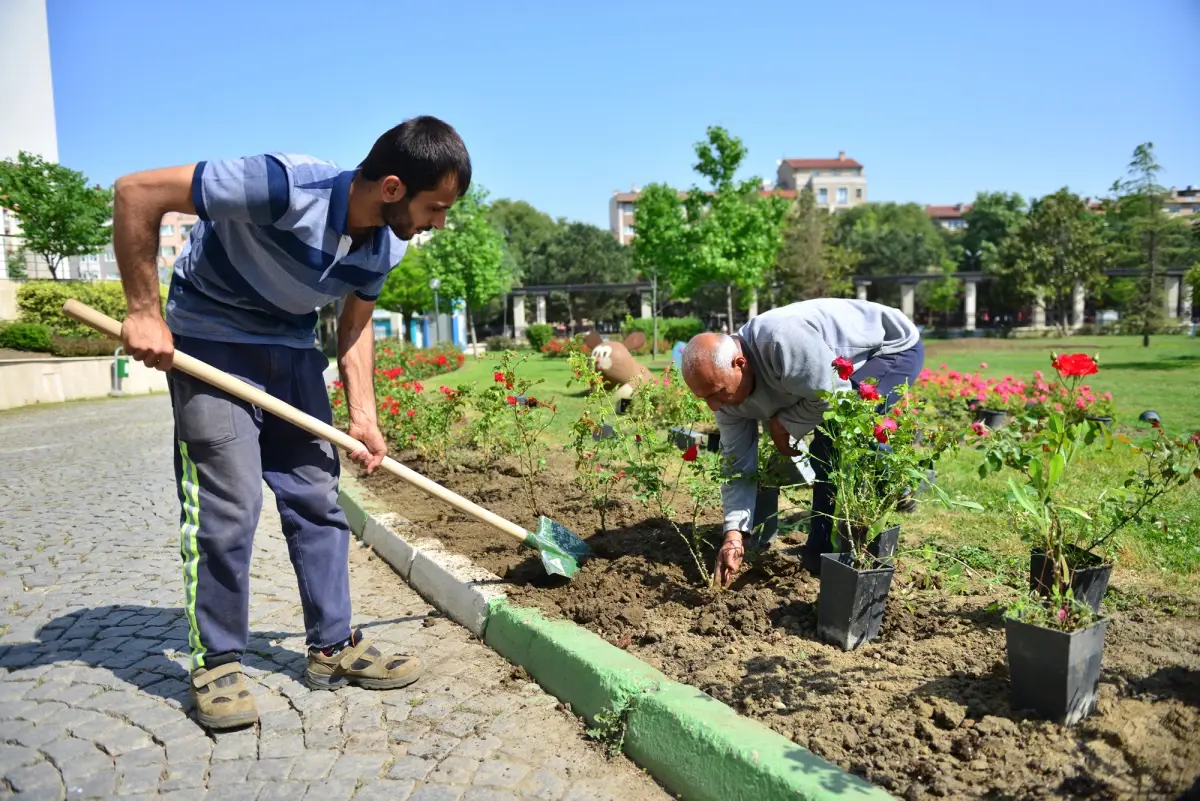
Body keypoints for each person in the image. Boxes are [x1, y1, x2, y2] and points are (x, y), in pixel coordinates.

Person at [112, 115, 471, 730]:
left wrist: (364, 415)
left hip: (292, 350)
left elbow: (354, 328)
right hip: (210, 341)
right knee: (229, 503)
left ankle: (333, 648)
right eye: (435, 207)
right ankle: (218, 660)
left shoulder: (384, 245)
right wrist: (144, 312)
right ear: (391, 188)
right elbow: (136, 192)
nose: (439, 222)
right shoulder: (281, 186)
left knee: (316, 496)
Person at [680, 298, 923, 588]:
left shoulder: (783, 342)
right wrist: (734, 534)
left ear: (740, 364)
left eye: (718, 393)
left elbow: (837, 397)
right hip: (829, 374)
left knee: (836, 435)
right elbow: (737, 463)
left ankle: (886, 492)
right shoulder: (725, 397)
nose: (714, 407)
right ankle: (827, 546)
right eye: (705, 398)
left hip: (888, 347)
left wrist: (784, 423)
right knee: (831, 441)